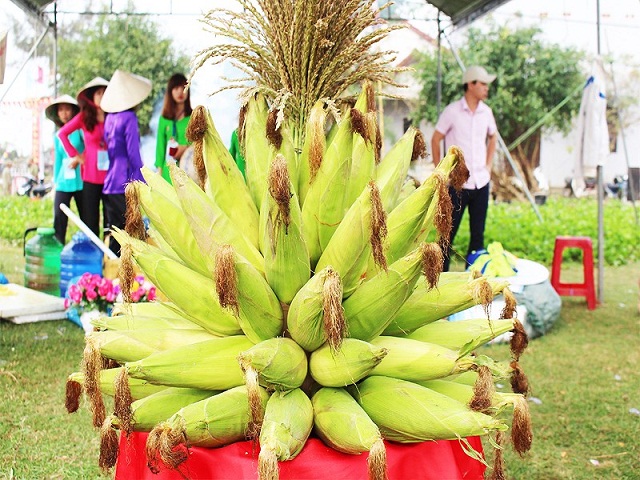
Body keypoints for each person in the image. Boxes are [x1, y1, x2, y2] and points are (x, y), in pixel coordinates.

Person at [430, 65, 498, 271]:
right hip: (457, 185)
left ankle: (474, 284)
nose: (487, 88)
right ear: (471, 85)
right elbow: (435, 139)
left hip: (481, 183)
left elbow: (493, 136)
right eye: (483, 84)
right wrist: (441, 172)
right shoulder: (452, 111)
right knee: (447, 236)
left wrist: (488, 166)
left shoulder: (487, 112)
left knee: (478, 235)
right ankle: (440, 282)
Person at [101, 69, 152, 256]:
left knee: (115, 235)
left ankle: (111, 277)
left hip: (109, 184)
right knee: (133, 233)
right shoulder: (129, 118)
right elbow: (133, 154)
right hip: (126, 182)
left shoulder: (109, 119)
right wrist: (145, 180)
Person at [58, 77, 110, 238]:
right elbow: (63, 134)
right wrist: (77, 156)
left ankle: (111, 259)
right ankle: (94, 257)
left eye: (105, 93)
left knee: (111, 223)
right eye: (98, 93)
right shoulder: (84, 117)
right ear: (92, 97)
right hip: (90, 177)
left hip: (111, 177)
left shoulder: (113, 116)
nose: (102, 96)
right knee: (90, 221)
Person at [45, 94, 84, 244]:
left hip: (81, 181)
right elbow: (58, 161)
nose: (64, 113)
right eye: (61, 110)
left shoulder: (79, 130)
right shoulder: (57, 135)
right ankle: (59, 248)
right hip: (63, 182)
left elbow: (89, 150)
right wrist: (55, 183)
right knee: (59, 218)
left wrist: (78, 158)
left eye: (67, 109)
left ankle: (89, 250)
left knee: (86, 218)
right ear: (57, 113)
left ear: (73, 111)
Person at [155, 73, 192, 184]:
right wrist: (159, 173)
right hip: (168, 171)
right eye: (176, 88)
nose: (180, 92)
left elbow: (200, 142)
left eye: (183, 87)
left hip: (188, 169)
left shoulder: (193, 117)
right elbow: (160, 147)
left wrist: (185, 148)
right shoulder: (164, 119)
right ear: (170, 91)